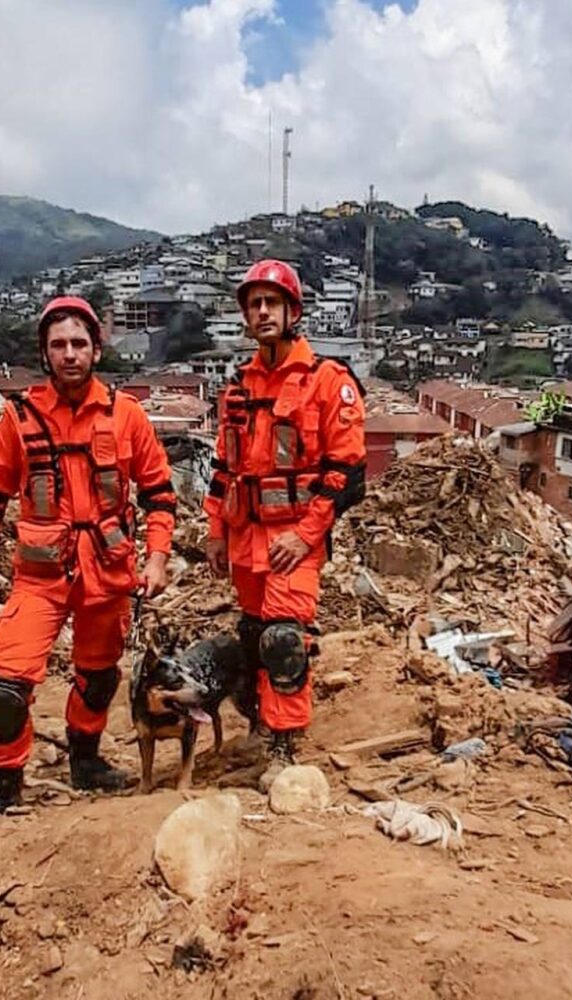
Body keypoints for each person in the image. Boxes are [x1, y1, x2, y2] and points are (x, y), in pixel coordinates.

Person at [0, 296, 176, 813]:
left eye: (79, 343)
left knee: (100, 675)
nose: (69, 354)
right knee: (7, 688)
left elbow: (159, 495)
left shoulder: (126, 417)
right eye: (58, 345)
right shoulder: (19, 420)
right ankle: (5, 791)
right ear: (45, 353)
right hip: (39, 575)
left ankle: (86, 759)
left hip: (108, 572)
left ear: (96, 349)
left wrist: (155, 559)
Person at [203, 260, 366, 783]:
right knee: (253, 636)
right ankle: (257, 724)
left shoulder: (326, 381)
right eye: (254, 304)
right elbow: (223, 469)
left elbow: (346, 471)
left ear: (292, 311)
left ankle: (283, 747)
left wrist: (306, 534)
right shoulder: (238, 387)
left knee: (283, 639)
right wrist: (214, 532)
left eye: (272, 302)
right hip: (246, 536)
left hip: (294, 538)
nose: (263, 311)